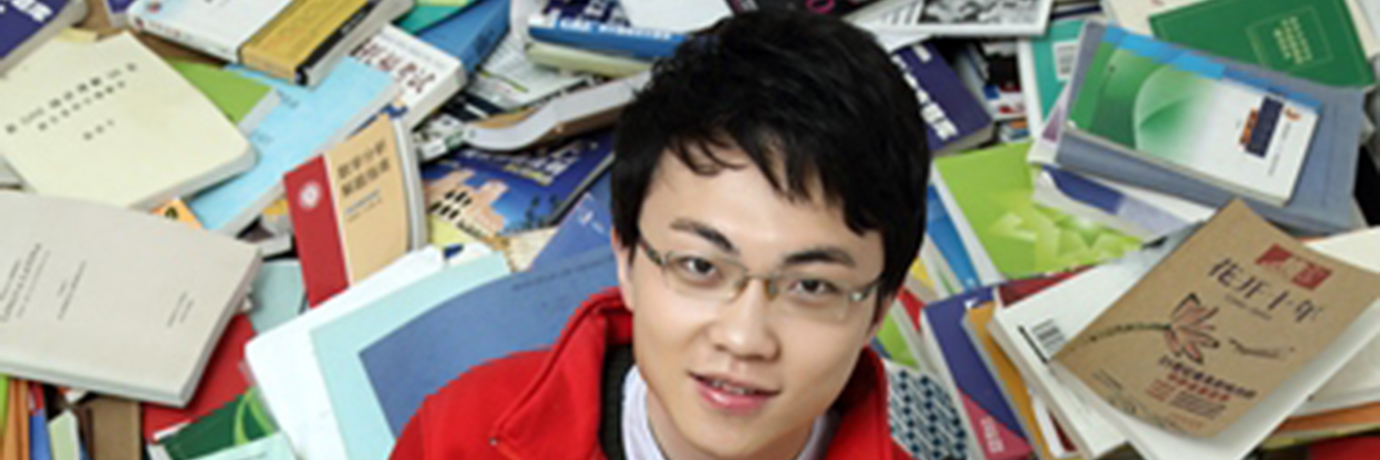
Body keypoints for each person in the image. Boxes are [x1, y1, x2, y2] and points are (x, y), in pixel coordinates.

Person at [389, 9, 931, 460]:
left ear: (879, 307)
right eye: (700, 266)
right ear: (626, 258)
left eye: (811, 286)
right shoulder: (458, 435)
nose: (743, 339)